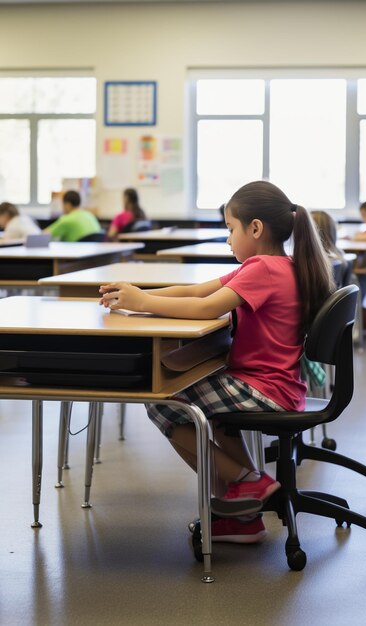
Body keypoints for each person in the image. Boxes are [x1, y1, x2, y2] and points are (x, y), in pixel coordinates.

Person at [99, 180, 335, 544]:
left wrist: (144, 303)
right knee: (204, 410)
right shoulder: (277, 264)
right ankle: (241, 513)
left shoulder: (264, 269)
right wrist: (138, 295)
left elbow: (205, 307)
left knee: (163, 403)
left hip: (264, 391)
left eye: (230, 229)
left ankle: (247, 484)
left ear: (255, 229)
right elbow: (197, 291)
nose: (227, 239)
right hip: (276, 386)